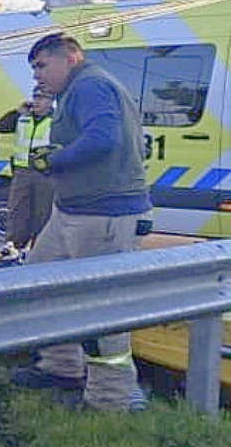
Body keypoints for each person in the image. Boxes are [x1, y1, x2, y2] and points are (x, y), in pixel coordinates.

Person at [11, 33, 153, 413]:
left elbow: (103, 138)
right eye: (34, 68)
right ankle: (62, 366)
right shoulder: (78, 90)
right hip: (71, 210)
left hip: (103, 214)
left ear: (70, 59)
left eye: (42, 65)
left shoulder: (90, 85)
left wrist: (54, 160)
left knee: (100, 311)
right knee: (41, 279)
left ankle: (111, 399)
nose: (37, 76)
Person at [0, 90, 55, 249]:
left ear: (51, 101)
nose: (37, 101)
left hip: (45, 174)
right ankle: (13, 247)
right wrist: (17, 111)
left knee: (42, 214)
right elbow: (0, 127)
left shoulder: (56, 120)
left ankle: (39, 249)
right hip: (22, 172)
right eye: (35, 97)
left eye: (42, 98)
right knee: (17, 212)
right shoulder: (23, 118)